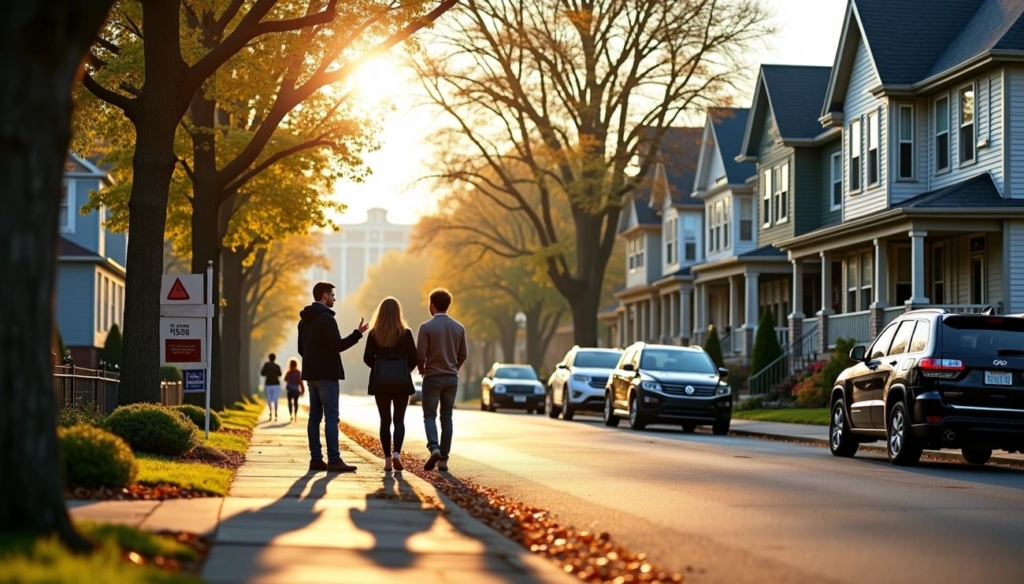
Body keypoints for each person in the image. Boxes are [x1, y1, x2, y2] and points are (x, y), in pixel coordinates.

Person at [298, 281, 369, 473]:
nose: (334, 298)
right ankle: (334, 460)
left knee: (314, 417)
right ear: (324, 296)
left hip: (311, 375)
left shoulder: (304, 320)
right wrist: (357, 334)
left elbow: (300, 349)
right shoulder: (327, 319)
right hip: (327, 375)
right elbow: (337, 345)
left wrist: (314, 359)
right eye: (332, 295)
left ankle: (316, 459)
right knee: (331, 417)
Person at [362, 297, 418, 472]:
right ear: (398, 312)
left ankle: (386, 460)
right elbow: (414, 359)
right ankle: (396, 454)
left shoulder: (374, 333)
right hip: (401, 383)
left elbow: (367, 358)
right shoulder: (406, 333)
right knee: (399, 420)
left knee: (385, 421)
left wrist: (380, 368)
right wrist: (403, 371)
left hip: (381, 383)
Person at [416, 288, 467, 472]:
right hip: (451, 378)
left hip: (432, 377)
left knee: (429, 415)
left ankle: (434, 447)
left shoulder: (426, 327)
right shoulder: (459, 327)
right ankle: (444, 460)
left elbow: (420, 354)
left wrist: (422, 369)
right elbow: (463, 355)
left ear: (432, 305)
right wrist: (454, 369)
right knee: (447, 417)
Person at [260, 353, 283, 422]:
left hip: (268, 384)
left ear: (269, 358)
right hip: (276, 384)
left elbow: (262, 373)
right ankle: (276, 413)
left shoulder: (266, 365)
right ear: (274, 358)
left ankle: (270, 411)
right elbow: (280, 374)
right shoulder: (277, 366)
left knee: (269, 399)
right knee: (275, 399)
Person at [284, 359, 305, 423]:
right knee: (296, 403)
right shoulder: (298, 372)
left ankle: (291, 415)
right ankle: (295, 415)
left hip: (290, 390)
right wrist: (302, 390)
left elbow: (285, 379)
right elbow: (300, 381)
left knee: (289, 402)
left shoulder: (288, 372)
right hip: (296, 390)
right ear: (296, 365)